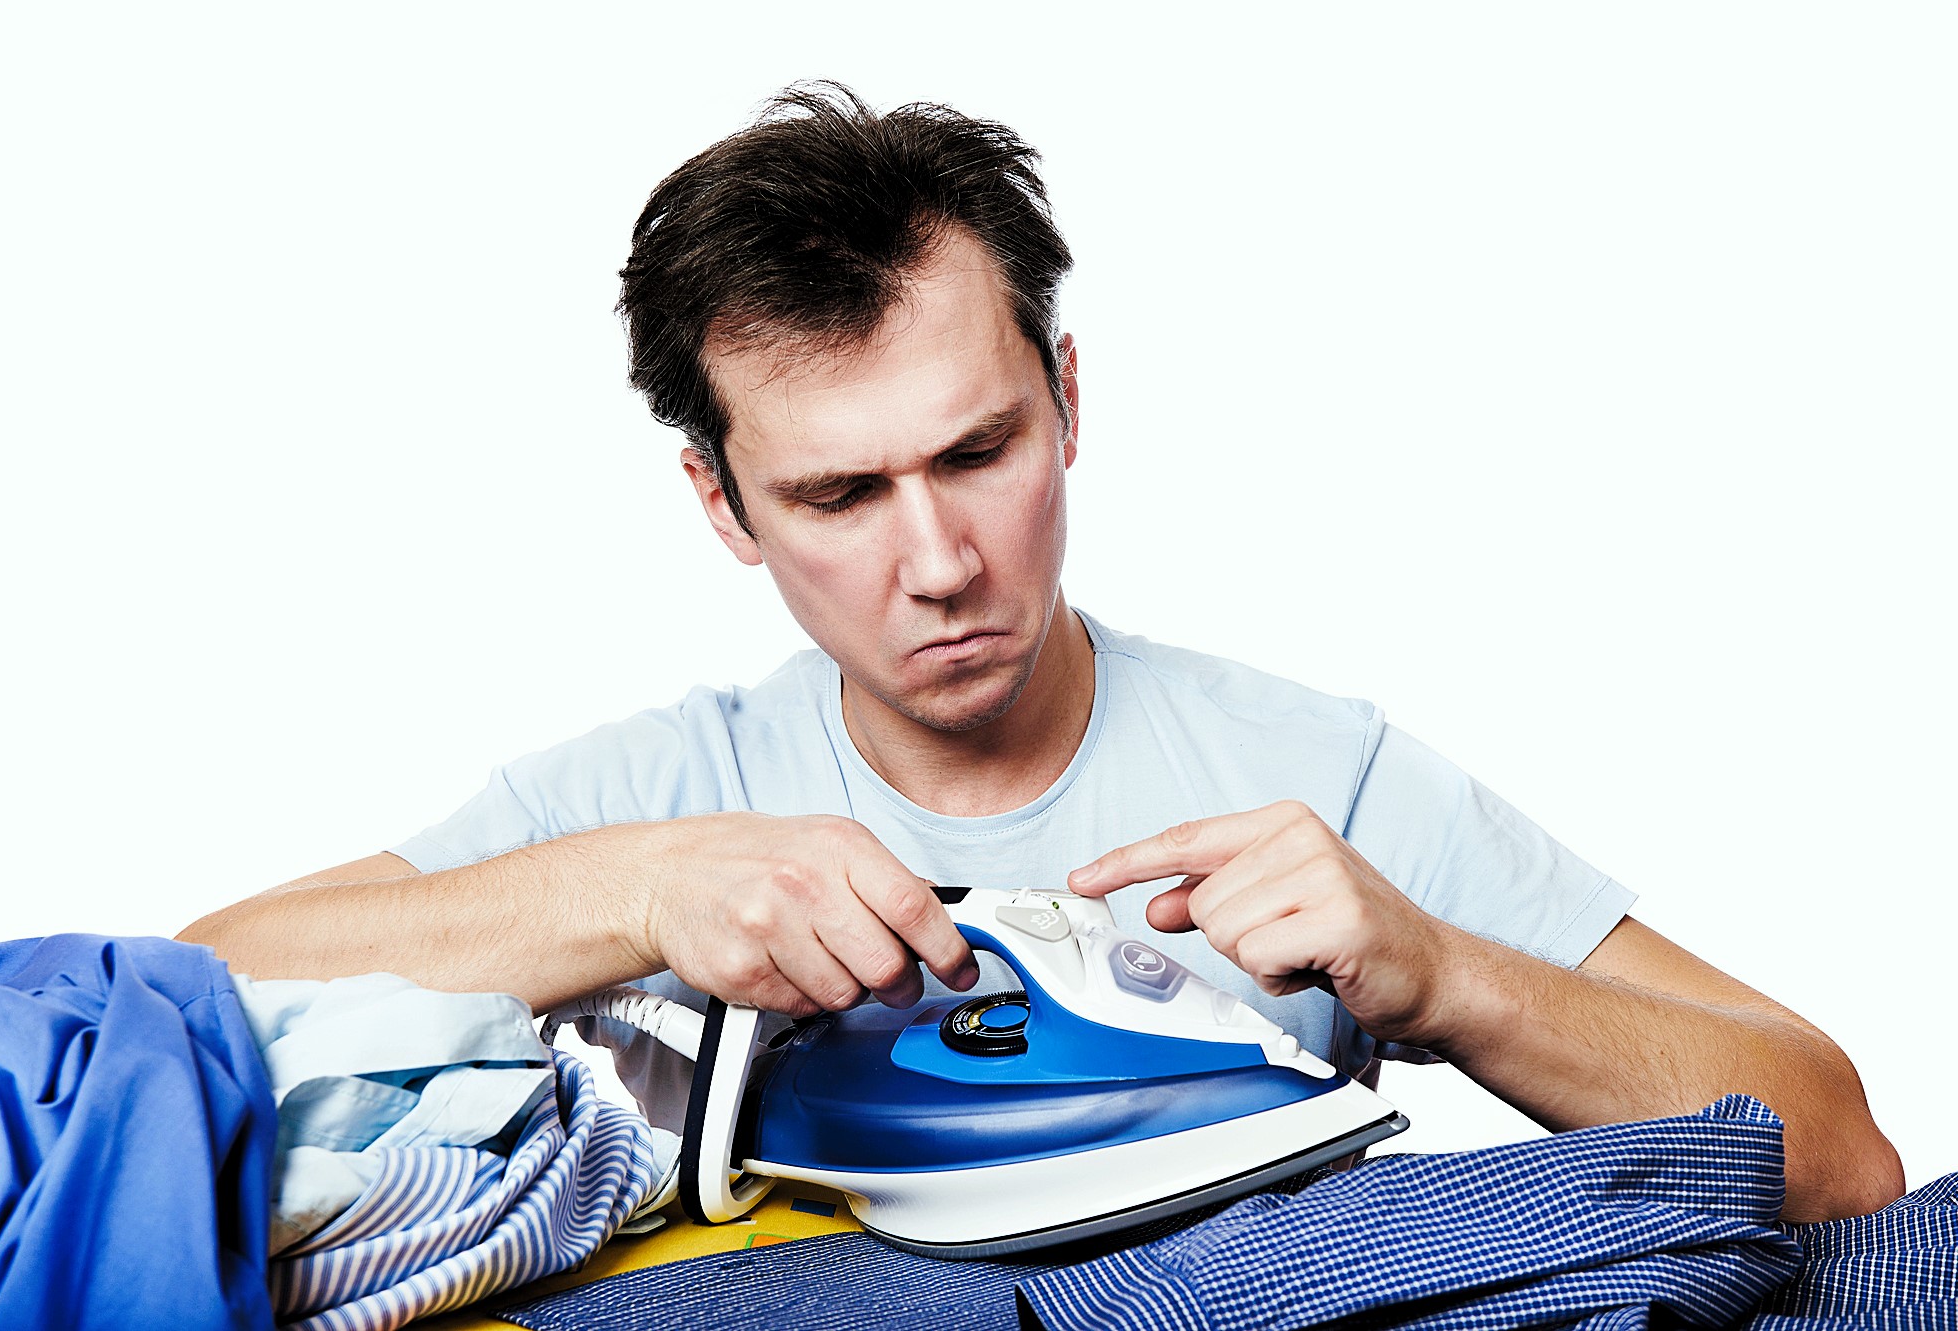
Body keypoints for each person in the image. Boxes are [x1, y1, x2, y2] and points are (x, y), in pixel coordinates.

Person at [180, 82, 1902, 1223]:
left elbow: (1844, 1156)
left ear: (1069, 403)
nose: (939, 561)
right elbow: (195, 995)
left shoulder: (1321, 777)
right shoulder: (661, 800)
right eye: (841, 494)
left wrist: (1446, 972)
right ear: (721, 503)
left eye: (979, 452)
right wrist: (636, 897)